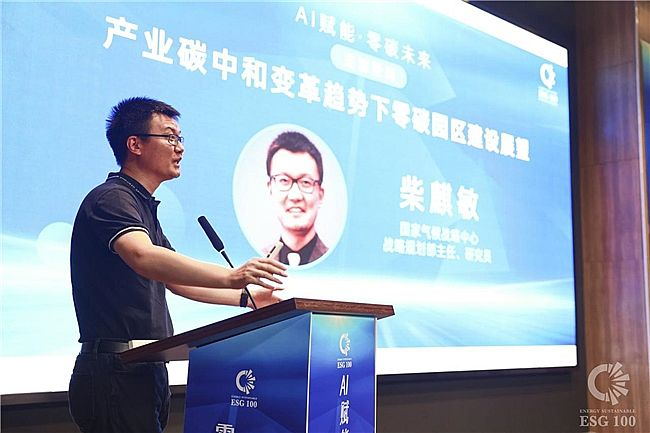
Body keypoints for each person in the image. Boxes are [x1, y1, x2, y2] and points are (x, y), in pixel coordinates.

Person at [68, 97, 287, 433]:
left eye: (180, 138)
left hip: (144, 367)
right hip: (113, 369)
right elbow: (142, 256)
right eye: (170, 137)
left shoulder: (142, 206)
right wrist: (233, 276)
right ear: (135, 144)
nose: (180, 147)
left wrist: (247, 299)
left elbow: (175, 281)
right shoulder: (111, 198)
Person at [265, 131, 328, 266]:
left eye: (305, 182)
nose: (295, 196)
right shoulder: (257, 259)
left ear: (320, 194)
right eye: (284, 180)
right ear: (270, 189)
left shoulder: (335, 264)